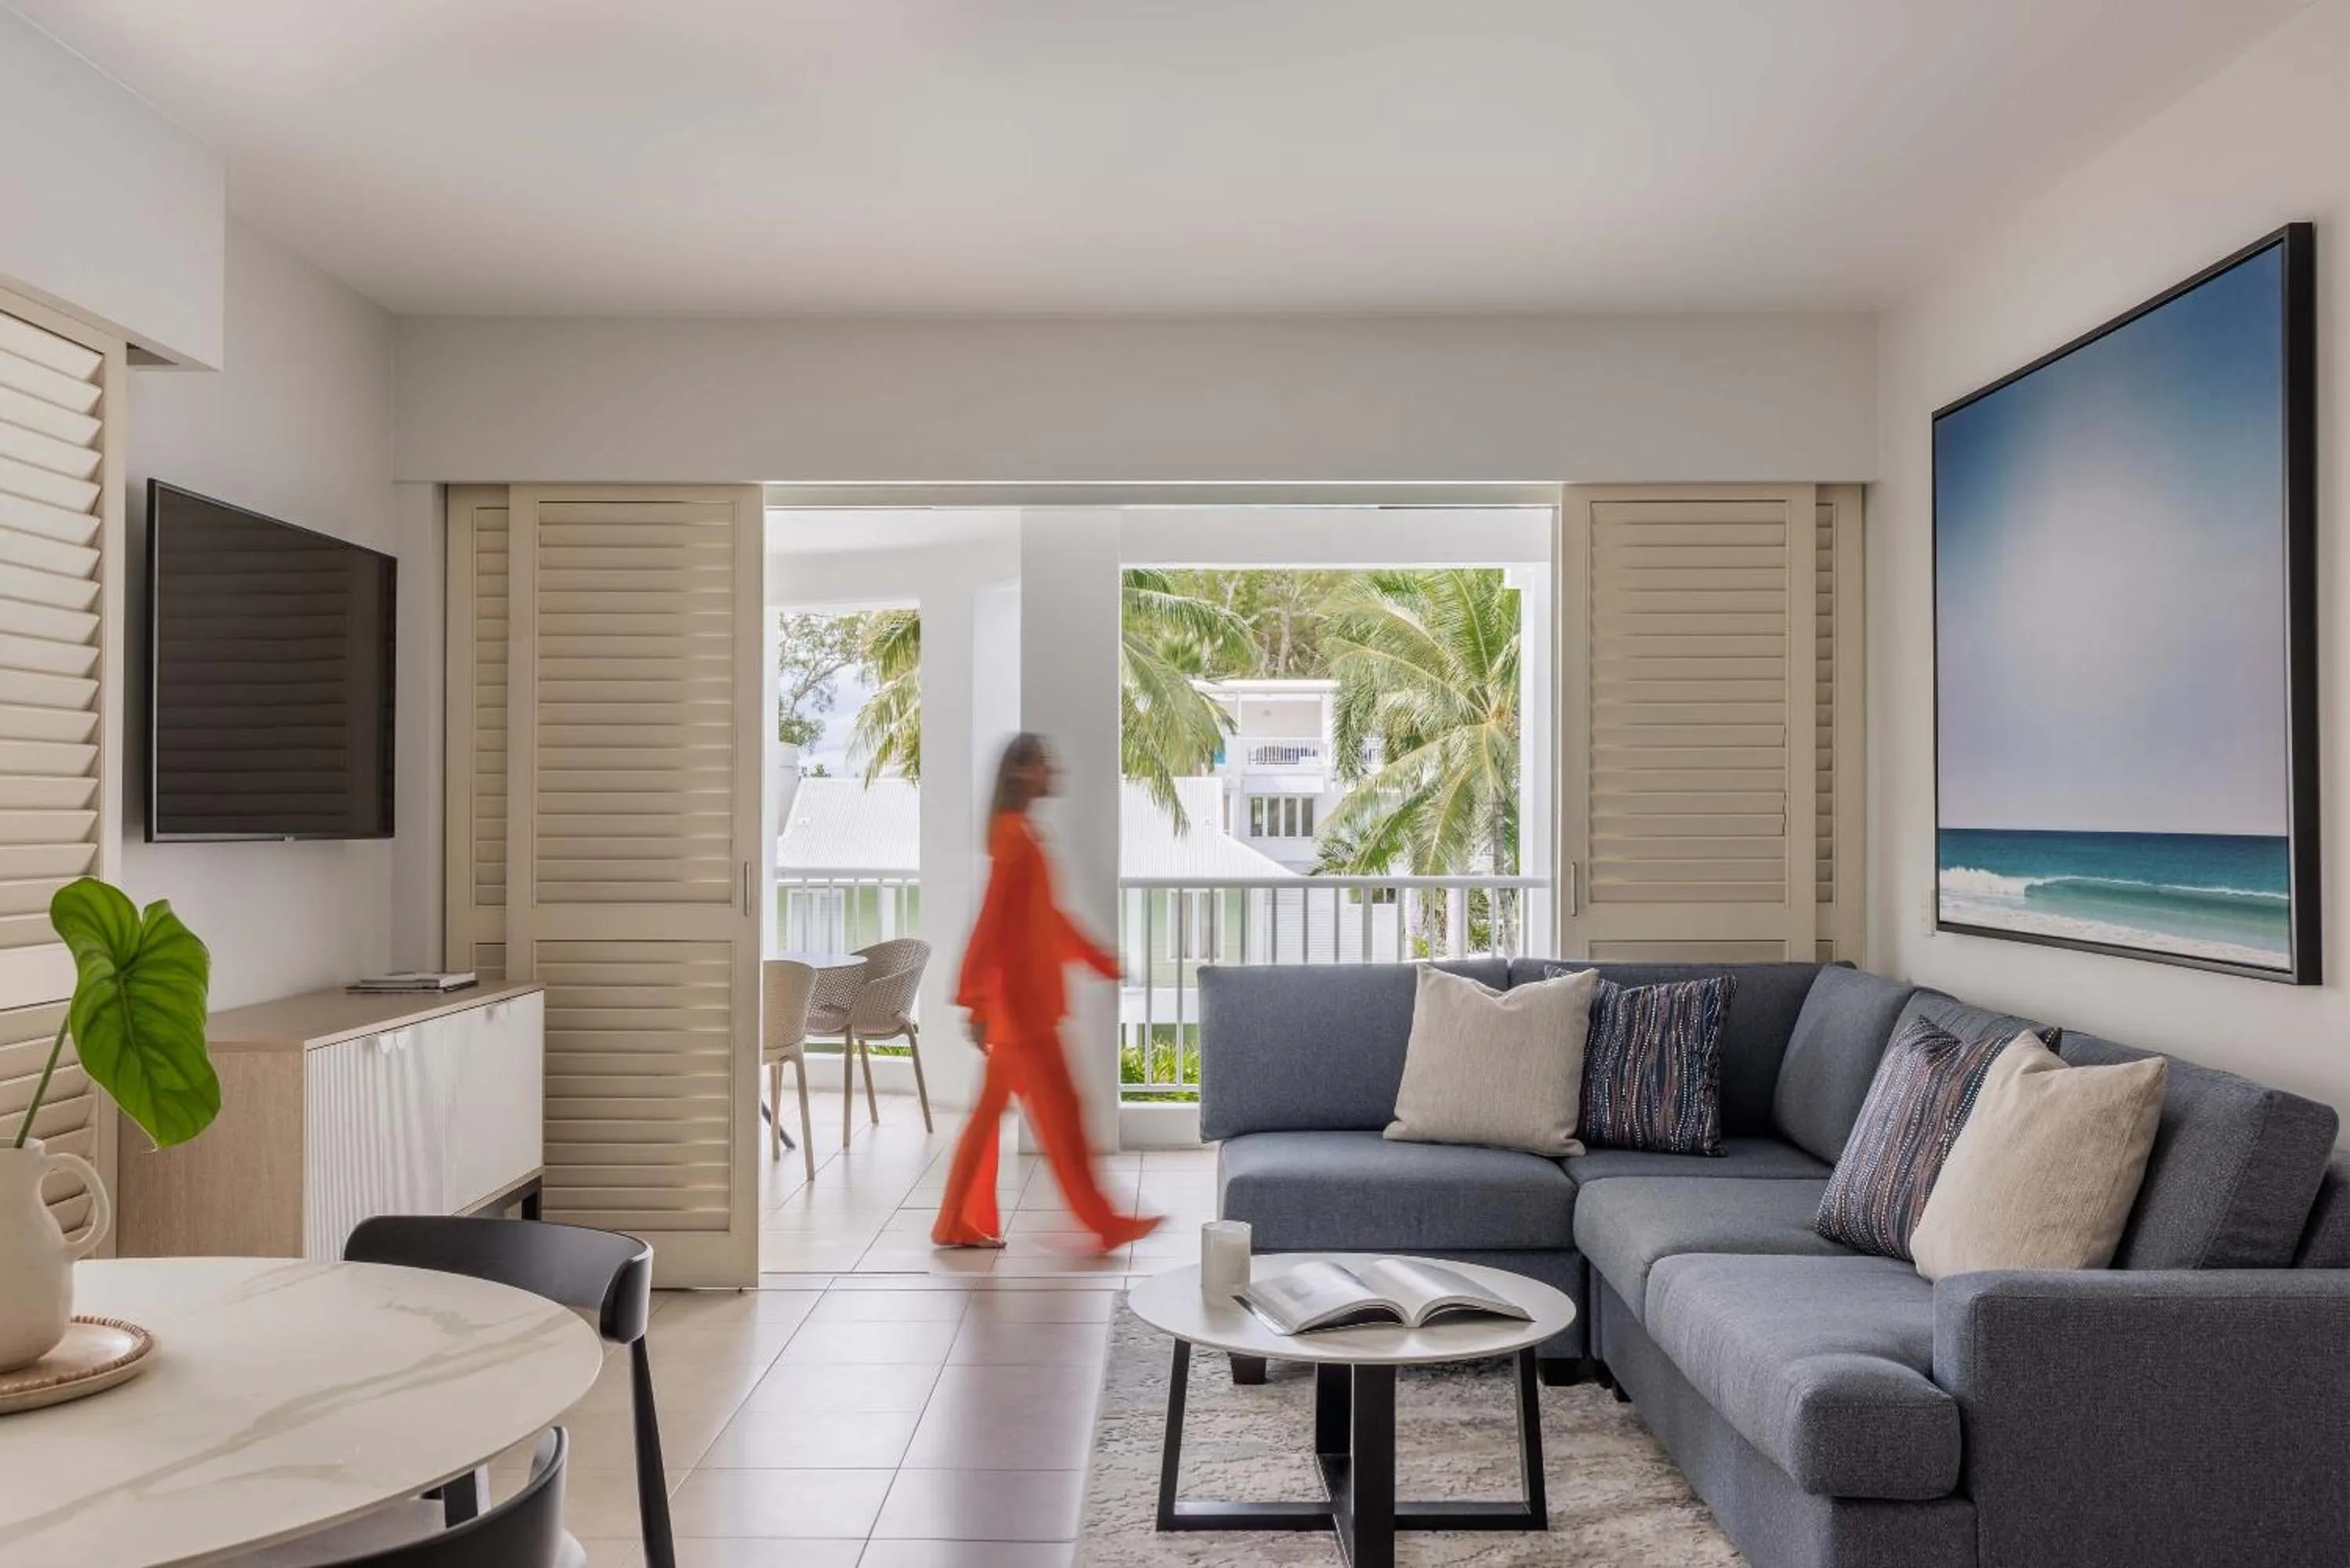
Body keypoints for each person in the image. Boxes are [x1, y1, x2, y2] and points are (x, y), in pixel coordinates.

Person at [932, 733, 1164, 1253]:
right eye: (1042, 762)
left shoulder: (1020, 834)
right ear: (1020, 772)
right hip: (1021, 1012)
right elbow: (992, 924)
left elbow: (1047, 922)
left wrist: (1098, 958)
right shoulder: (1014, 836)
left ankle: (956, 1221)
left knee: (997, 1115)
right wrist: (977, 1001)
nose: (1052, 768)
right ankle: (1103, 1223)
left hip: (1023, 1009)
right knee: (1061, 1116)